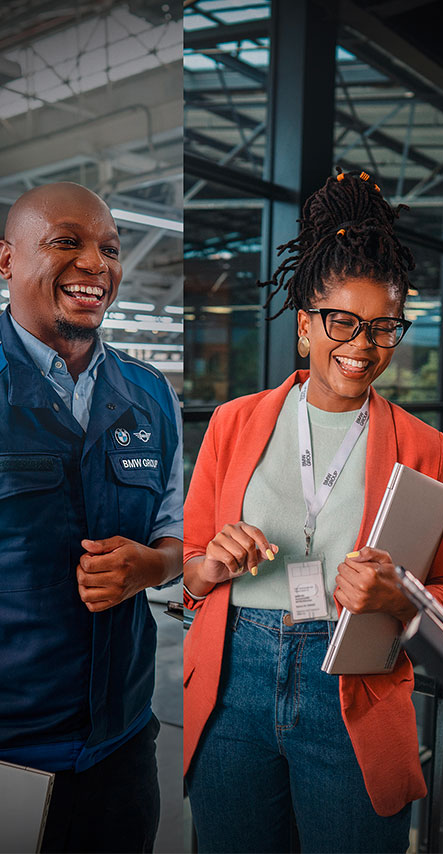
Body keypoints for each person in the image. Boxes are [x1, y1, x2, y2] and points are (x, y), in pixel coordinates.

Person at [182, 171, 443, 852]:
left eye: (383, 328)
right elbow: (191, 578)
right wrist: (209, 568)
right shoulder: (232, 423)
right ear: (307, 323)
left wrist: (400, 596)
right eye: (342, 322)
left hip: (352, 688)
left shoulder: (424, 448)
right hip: (232, 681)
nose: (363, 346)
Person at [0, 182, 183, 852]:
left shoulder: (151, 394)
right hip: (10, 754)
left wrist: (155, 566)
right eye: (65, 241)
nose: (96, 264)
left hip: (123, 746)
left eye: (109, 247)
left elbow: (176, 531)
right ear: (6, 261)